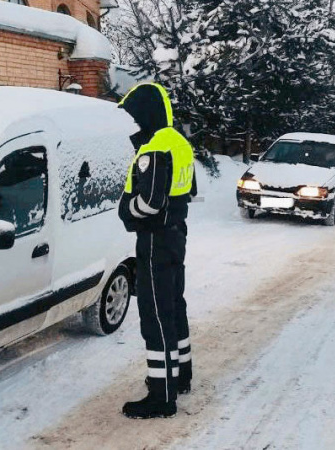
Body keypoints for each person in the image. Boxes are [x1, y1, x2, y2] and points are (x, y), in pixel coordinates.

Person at [117, 83, 196, 419]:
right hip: (175, 233)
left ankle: (161, 395)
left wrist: (127, 211)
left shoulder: (155, 147)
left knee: (155, 312)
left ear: (146, 113)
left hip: (155, 238)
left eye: (134, 115)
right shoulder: (179, 142)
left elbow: (150, 201)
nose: (132, 123)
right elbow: (188, 190)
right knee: (174, 305)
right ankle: (180, 376)